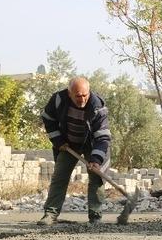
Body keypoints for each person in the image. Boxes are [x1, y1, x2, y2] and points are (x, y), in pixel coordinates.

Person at [37, 76, 111, 225]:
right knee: (60, 176)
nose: (82, 99)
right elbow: (48, 119)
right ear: (69, 93)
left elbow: (102, 138)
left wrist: (95, 160)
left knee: (97, 177)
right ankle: (50, 214)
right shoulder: (58, 100)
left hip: (92, 144)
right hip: (68, 143)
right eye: (78, 96)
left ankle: (95, 216)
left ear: (89, 92)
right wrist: (58, 141)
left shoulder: (98, 107)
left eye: (85, 95)